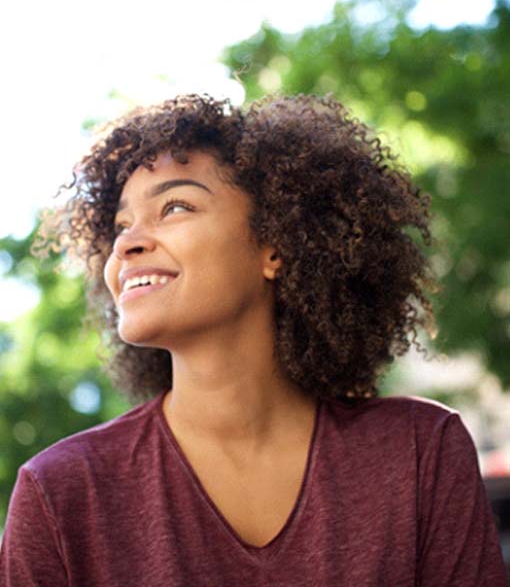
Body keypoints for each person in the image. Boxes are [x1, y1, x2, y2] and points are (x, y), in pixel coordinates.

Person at [0, 93, 507, 586]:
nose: (128, 243)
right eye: (120, 226)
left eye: (175, 206)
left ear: (276, 245)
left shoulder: (418, 453)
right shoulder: (61, 494)